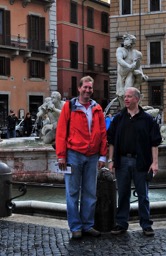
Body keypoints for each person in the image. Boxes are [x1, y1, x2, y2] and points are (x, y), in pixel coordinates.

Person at [56, 76, 107, 240]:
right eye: (85, 87)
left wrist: (103, 155)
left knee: (90, 193)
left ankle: (88, 225)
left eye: (90, 88)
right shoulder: (69, 106)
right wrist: (61, 156)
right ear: (79, 88)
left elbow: (102, 133)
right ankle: (76, 227)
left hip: (92, 156)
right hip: (73, 154)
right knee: (72, 192)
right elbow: (61, 132)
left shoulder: (97, 108)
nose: (87, 90)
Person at [107, 87, 162, 237]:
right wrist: (111, 160)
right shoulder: (118, 118)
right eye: (125, 96)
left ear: (137, 99)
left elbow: (154, 143)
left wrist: (155, 163)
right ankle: (121, 223)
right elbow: (110, 140)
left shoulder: (148, 119)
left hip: (141, 162)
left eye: (129, 97)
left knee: (143, 195)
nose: (126, 99)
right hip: (122, 161)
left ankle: (146, 224)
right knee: (123, 194)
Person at [116, 34, 148, 106]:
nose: (124, 41)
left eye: (127, 39)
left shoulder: (137, 54)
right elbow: (119, 60)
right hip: (122, 73)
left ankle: (132, 104)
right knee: (122, 92)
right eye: (124, 39)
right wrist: (129, 66)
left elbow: (138, 66)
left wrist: (142, 75)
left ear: (132, 41)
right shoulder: (120, 50)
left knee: (128, 90)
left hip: (131, 73)